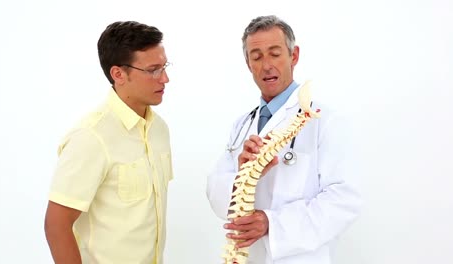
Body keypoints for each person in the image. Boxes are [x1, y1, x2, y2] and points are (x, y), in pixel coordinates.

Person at [206, 15, 362, 264]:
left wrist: (272, 223)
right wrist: (242, 176)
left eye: (275, 53)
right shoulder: (242, 125)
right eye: (256, 56)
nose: (266, 65)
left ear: (294, 56)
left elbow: (344, 200)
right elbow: (214, 189)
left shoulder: (324, 121)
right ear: (248, 64)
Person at [44, 21, 173, 264]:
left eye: (164, 66)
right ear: (118, 74)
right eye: (154, 70)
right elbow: (56, 224)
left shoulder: (159, 130)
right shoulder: (90, 136)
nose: (165, 78)